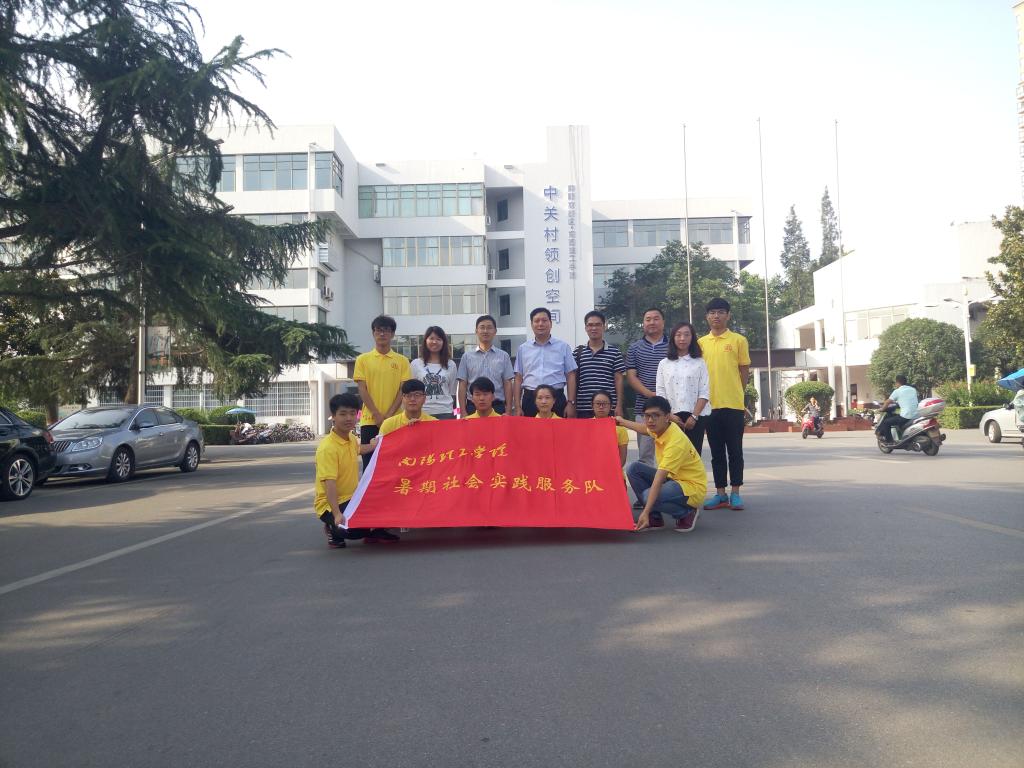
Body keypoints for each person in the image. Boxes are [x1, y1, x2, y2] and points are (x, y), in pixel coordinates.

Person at [314, 393, 396, 548]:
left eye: (352, 413)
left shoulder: (350, 438)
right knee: (354, 529)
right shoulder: (327, 448)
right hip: (330, 505)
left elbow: (358, 449)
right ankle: (333, 528)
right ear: (333, 416)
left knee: (387, 504)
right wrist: (337, 514)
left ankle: (375, 531)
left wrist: (374, 445)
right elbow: (330, 485)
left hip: (353, 498)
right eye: (343, 414)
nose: (349, 418)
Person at [617, 396, 707, 534]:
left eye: (655, 415)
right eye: (647, 416)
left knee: (648, 496)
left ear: (666, 417)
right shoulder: (661, 428)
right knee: (633, 468)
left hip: (691, 486)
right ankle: (655, 518)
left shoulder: (675, 442)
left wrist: (645, 512)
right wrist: (622, 422)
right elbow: (643, 429)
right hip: (673, 479)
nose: (650, 420)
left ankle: (686, 512)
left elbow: (659, 479)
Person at [699, 298, 751, 512]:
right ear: (707, 317)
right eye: (712, 312)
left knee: (735, 451)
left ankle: (735, 493)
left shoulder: (739, 340)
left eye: (721, 312)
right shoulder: (701, 343)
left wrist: (738, 393)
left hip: (733, 405)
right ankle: (720, 493)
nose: (716, 316)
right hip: (709, 406)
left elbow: (744, 371)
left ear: (728, 315)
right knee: (717, 453)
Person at [353, 314, 412, 469]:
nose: (382, 334)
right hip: (369, 421)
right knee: (370, 465)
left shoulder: (402, 361)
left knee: (396, 464)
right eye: (378, 330)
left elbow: (402, 390)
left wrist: (389, 416)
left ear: (392, 334)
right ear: (373, 333)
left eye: (386, 330)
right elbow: (362, 389)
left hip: (396, 420)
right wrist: (376, 414)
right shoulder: (362, 359)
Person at [656, 320, 711, 455]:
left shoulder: (699, 363)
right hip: (671, 417)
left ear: (692, 338)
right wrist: (669, 415)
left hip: (695, 418)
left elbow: (704, 392)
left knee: (693, 455)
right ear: (673, 338)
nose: (682, 338)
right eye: (678, 335)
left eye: (687, 335)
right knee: (673, 456)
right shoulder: (664, 364)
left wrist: (694, 416)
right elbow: (660, 392)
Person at [513, 307, 578, 418]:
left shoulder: (563, 347)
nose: (540, 324)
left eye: (544, 320)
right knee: (530, 429)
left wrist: (571, 403)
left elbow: (571, 376)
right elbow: (518, 378)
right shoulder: (523, 349)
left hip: (556, 398)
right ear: (532, 324)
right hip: (531, 398)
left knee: (557, 429)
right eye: (537, 321)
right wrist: (518, 406)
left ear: (550, 323)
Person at [625, 308, 669, 468]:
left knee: (671, 454)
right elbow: (631, 377)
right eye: (648, 319)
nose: (652, 322)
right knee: (645, 456)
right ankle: (648, 485)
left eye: (656, 319)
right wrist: (651, 395)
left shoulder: (673, 346)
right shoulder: (634, 348)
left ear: (663, 322)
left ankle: (670, 485)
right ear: (643, 323)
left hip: (670, 410)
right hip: (644, 409)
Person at [457, 314, 515, 416]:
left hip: (497, 406)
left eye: (489, 328)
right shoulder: (466, 357)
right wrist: (463, 411)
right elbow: (462, 385)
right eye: (482, 327)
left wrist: (509, 409)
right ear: (476, 331)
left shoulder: (504, 356)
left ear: (495, 331)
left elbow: (507, 384)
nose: (485, 331)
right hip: (473, 407)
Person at [573, 310, 626, 419]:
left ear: (604, 326)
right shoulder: (578, 352)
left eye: (598, 324)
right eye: (590, 325)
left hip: (607, 409)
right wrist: (572, 404)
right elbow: (572, 380)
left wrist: (619, 405)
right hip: (583, 407)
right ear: (586, 328)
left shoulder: (614, 352)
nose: (594, 328)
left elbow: (619, 380)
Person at [410, 325, 458, 419]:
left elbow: (452, 391)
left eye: (438, 339)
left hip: (445, 412)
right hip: (422, 412)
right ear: (425, 341)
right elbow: (411, 391)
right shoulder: (416, 364)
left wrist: (455, 412)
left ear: (443, 342)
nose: (434, 342)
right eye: (431, 338)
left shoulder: (451, 364)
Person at [592, 389, 629, 467]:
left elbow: (622, 459)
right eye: (598, 403)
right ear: (592, 406)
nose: (601, 407)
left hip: (613, 470)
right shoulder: (584, 427)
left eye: (605, 404)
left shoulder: (620, 429)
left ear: (611, 406)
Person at [877, 375, 919, 443]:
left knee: (886, 422)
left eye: (895, 383)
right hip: (916, 415)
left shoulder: (897, 391)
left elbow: (887, 402)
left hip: (906, 416)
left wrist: (882, 409)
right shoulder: (913, 389)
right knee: (896, 416)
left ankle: (889, 441)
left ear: (897, 383)